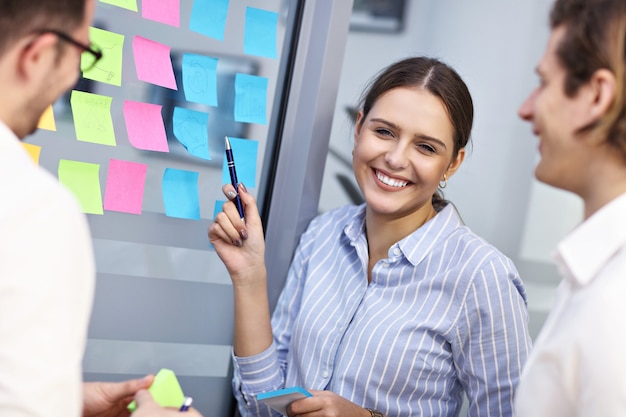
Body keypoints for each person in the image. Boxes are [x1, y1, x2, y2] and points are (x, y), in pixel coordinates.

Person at [210, 56, 532, 417]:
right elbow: (263, 406)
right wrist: (249, 275)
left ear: (452, 164)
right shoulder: (323, 235)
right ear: (359, 127)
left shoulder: (481, 277)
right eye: (384, 132)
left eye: (425, 147)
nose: (395, 158)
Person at [0, 1, 200, 416]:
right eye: (84, 55)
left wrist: (67, 400)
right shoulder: (35, 209)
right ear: (36, 55)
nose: (73, 76)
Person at [515, 0, 626, 415]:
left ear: (597, 96)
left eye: (544, 83)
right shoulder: (591, 271)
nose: (525, 109)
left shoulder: (615, 305)